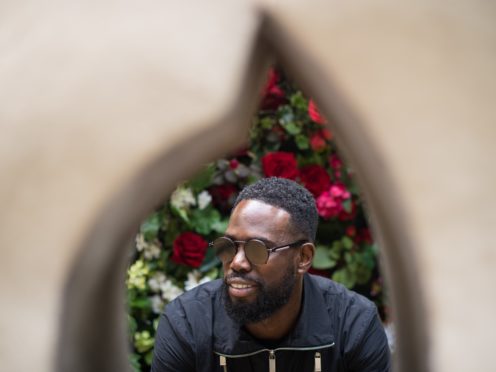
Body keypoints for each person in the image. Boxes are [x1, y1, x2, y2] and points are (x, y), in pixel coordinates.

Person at [151, 177, 391, 372]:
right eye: (229, 246)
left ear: (304, 258)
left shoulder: (352, 324)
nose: (237, 262)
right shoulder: (188, 322)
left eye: (258, 249)